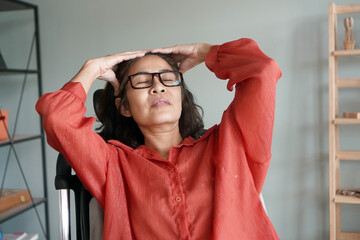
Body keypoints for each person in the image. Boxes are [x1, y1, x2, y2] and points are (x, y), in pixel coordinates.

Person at [36, 38, 282, 239]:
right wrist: (92, 68)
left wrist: (205, 52)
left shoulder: (229, 144)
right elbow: (58, 119)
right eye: (142, 82)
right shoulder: (113, 166)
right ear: (124, 107)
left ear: (180, 95)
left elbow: (262, 71)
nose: (158, 87)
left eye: (168, 78)